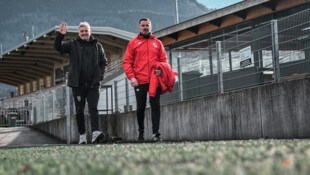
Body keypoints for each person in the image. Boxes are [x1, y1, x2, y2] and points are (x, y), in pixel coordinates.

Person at [54, 21, 107, 144]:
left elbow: (104, 62)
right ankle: (82, 135)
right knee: (79, 110)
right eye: (82, 31)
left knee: (93, 108)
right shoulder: (73, 44)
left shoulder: (97, 46)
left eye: (86, 31)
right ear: (79, 33)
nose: (84, 33)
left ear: (90, 32)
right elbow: (58, 47)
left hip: (93, 84)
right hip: (78, 84)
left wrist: (100, 76)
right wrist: (60, 35)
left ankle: (95, 133)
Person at [123, 18, 173, 142]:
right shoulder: (133, 43)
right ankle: (141, 133)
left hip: (155, 80)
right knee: (140, 107)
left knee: (155, 106)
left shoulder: (158, 43)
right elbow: (127, 62)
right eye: (143, 25)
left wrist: (161, 70)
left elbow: (164, 61)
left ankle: (156, 134)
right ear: (139, 27)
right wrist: (132, 77)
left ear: (151, 27)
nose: (145, 27)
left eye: (147, 25)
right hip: (139, 81)